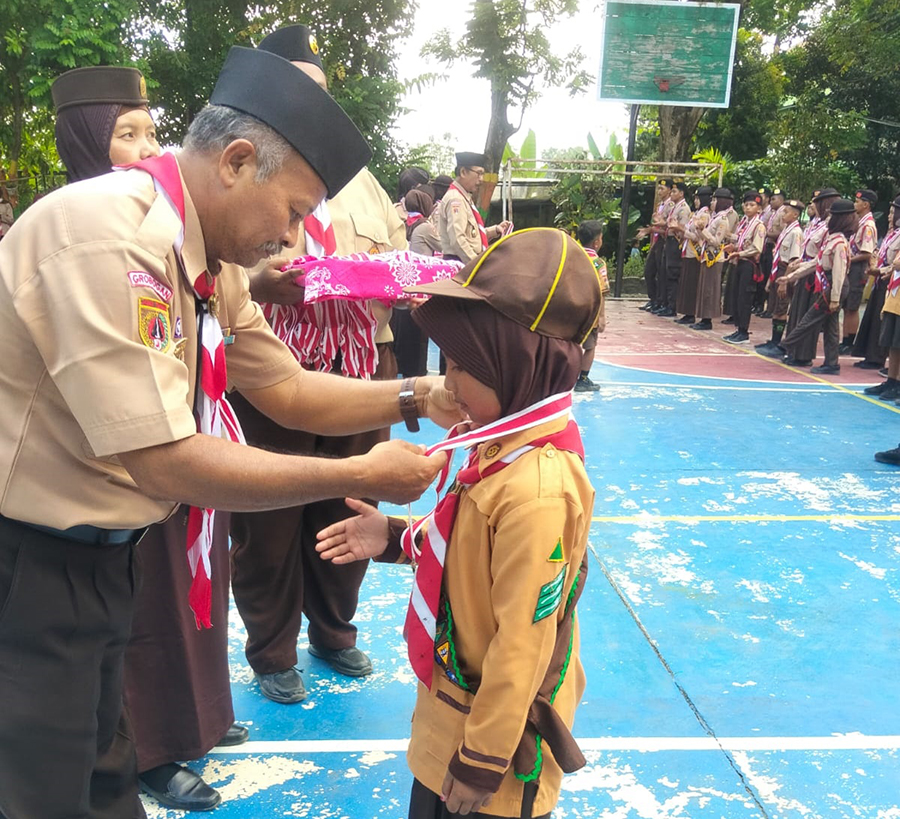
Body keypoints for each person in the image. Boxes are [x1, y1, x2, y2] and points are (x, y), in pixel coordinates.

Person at [0, 45, 458, 819]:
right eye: (294, 210)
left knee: (103, 782)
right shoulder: (110, 236)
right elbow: (165, 461)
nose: (294, 237)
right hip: (33, 569)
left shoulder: (206, 255)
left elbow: (285, 387)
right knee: (44, 794)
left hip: (105, 562)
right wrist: (358, 474)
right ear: (238, 162)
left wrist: (421, 393)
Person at [316, 227, 598, 819]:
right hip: (451, 715)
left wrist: (483, 760)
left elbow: (522, 642)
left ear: (520, 367)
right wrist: (394, 538)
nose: (448, 384)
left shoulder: (538, 489)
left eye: (465, 366)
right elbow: (469, 547)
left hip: (494, 747)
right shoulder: (502, 446)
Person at [50, 63, 244, 813]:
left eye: (151, 132)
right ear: (84, 142)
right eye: (125, 134)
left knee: (189, 589)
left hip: (183, 447)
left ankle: (195, 718)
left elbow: (256, 358)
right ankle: (149, 752)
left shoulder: (173, 234)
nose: (145, 149)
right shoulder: (75, 235)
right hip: (115, 476)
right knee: (136, 620)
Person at [228, 25, 410, 707]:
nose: (315, 105)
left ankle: (334, 630)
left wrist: (397, 282)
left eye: (322, 92)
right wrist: (258, 283)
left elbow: (399, 259)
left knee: (351, 504)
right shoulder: (247, 173)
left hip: (360, 366)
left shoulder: (362, 184)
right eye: (299, 89)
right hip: (272, 370)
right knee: (268, 523)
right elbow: (221, 274)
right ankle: (272, 649)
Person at [777, 199, 857, 374]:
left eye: (833, 216)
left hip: (833, 286)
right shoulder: (832, 239)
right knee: (830, 327)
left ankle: (785, 345)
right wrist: (790, 277)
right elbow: (815, 263)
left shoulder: (839, 243)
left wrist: (834, 298)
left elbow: (839, 273)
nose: (829, 219)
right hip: (828, 283)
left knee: (810, 318)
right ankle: (832, 363)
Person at [779, 188, 838, 366]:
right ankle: (793, 351)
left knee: (807, 315)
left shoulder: (829, 226)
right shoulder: (815, 223)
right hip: (805, 269)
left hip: (816, 275)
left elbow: (821, 254)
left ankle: (803, 355)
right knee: (797, 312)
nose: (812, 205)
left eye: (816, 202)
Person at [438, 151, 511, 263]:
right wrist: (476, 264)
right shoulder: (456, 199)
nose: (481, 179)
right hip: (461, 263)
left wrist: (495, 230)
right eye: (479, 173)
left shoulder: (464, 197)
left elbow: (472, 236)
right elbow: (458, 239)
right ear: (463, 172)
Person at [854, 196, 900, 370]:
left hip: (891, 281)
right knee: (873, 318)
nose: (889, 216)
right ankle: (870, 355)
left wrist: (880, 271)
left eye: (893, 213)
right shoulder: (893, 234)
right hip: (881, 280)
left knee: (883, 323)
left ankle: (877, 358)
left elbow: (895, 263)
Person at [756, 199, 804, 358]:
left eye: (786, 212)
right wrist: (771, 279)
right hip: (778, 270)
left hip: (786, 271)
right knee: (776, 307)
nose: (783, 214)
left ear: (795, 215)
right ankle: (773, 340)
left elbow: (793, 260)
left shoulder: (796, 232)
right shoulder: (786, 230)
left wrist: (785, 281)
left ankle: (777, 343)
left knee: (782, 307)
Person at [722, 191, 766, 344]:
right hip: (739, 261)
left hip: (749, 264)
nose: (748, 208)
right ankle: (738, 329)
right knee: (737, 296)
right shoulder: (745, 223)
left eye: (752, 205)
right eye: (746, 205)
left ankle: (743, 331)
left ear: (759, 208)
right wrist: (734, 248)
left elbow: (756, 248)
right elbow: (742, 242)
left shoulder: (759, 226)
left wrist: (739, 253)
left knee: (745, 298)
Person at [693, 188, 737, 330]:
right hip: (707, 256)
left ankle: (707, 319)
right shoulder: (715, 217)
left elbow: (717, 241)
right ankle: (703, 317)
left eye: (714, 200)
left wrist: (703, 230)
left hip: (715, 257)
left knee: (710, 289)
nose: (712, 203)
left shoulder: (722, 220)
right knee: (704, 287)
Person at [841, 189, 878, 354]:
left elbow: (866, 253)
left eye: (857, 202)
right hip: (851, 267)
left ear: (866, 204)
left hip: (858, 268)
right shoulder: (859, 222)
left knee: (852, 306)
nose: (855, 204)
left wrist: (848, 259)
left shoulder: (868, 225)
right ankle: (844, 339)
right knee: (846, 306)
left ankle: (850, 341)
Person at [575, 219, 609, 392]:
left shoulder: (573, 257)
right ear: (597, 242)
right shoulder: (598, 263)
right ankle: (583, 379)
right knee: (590, 347)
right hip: (590, 313)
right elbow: (602, 291)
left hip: (571, 310)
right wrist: (601, 316)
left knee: (571, 344)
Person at [674, 186, 712, 325]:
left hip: (695, 253)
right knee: (686, 283)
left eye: (698, 198)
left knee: (691, 284)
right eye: (695, 198)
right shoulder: (696, 213)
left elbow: (698, 237)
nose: (695, 201)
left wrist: (681, 230)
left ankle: (691, 313)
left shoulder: (705, 215)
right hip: (688, 251)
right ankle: (687, 312)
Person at [637, 178, 672, 311]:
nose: (659, 191)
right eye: (659, 188)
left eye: (662, 189)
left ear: (669, 190)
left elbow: (668, 226)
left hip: (664, 240)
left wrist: (651, 229)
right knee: (649, 271)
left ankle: (660, 301)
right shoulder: (660, 205)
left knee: (660, 273)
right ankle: (653, 299)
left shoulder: (670, 205)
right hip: (657, 240)